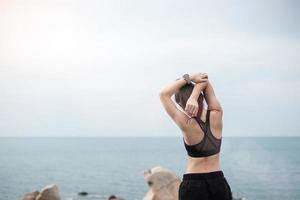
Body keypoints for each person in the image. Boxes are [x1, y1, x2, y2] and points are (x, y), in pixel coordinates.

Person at [159, 72, 232, 200]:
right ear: (202, 98)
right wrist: (194, 95)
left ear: (181, 104)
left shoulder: (187, 124)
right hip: (218, 183)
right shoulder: (216, 114)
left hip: (193, 185)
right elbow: (205, 79)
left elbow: (163, 94)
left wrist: (190, 78)